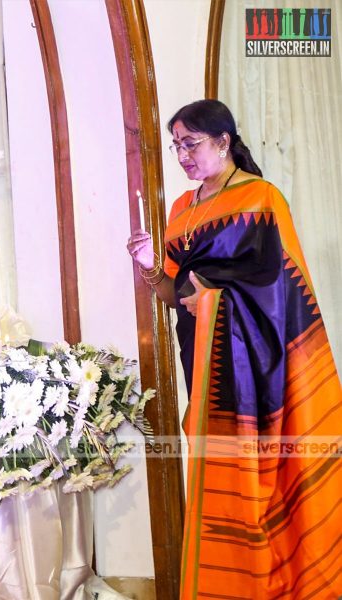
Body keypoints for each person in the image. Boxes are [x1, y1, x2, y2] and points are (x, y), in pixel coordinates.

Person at [126, 99, 341, 598]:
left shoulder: (261, 198)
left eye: (191, 143)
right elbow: (175, 295)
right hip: (204, 365)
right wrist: (150, 265)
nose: (182, 154)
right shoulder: (182, 209)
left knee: (256, 482)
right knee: (214, 476)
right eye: (176, 144)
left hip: (255, 368)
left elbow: (283, 292)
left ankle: (272, 584)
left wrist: (214, 302)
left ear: (224, 142)